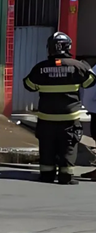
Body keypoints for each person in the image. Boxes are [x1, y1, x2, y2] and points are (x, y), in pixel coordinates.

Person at [23, 32, 96, 185]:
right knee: (68, 147)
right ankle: (66, 177)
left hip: (46, 118)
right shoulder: (78, 66)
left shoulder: (40, 68)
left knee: (47, 147)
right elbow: (90, 83)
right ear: (68, 47)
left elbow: (29, 86)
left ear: (49, 48)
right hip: (69, 118)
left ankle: (46, 175)